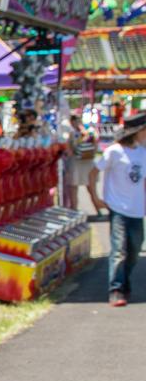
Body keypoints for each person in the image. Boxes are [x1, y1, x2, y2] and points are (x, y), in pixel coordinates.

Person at [88, 111, 146, 307]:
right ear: (139, 131)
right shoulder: (114, 151)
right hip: (118, 208)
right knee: (119, 249)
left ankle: (124, 280)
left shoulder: (143, 152)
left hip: (137, 209)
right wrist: (95, 198)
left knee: (134, 249)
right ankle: (116, 288)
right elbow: (93, 172)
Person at [62, 113, 105, 214]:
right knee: (92, 190)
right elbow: (95, 147)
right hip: (89, 163)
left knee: (74, 190)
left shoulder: (72, 134)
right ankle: (98, 211)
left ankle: (74, 212)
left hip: (76, 164)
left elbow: (69, 151)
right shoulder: (90, 132)